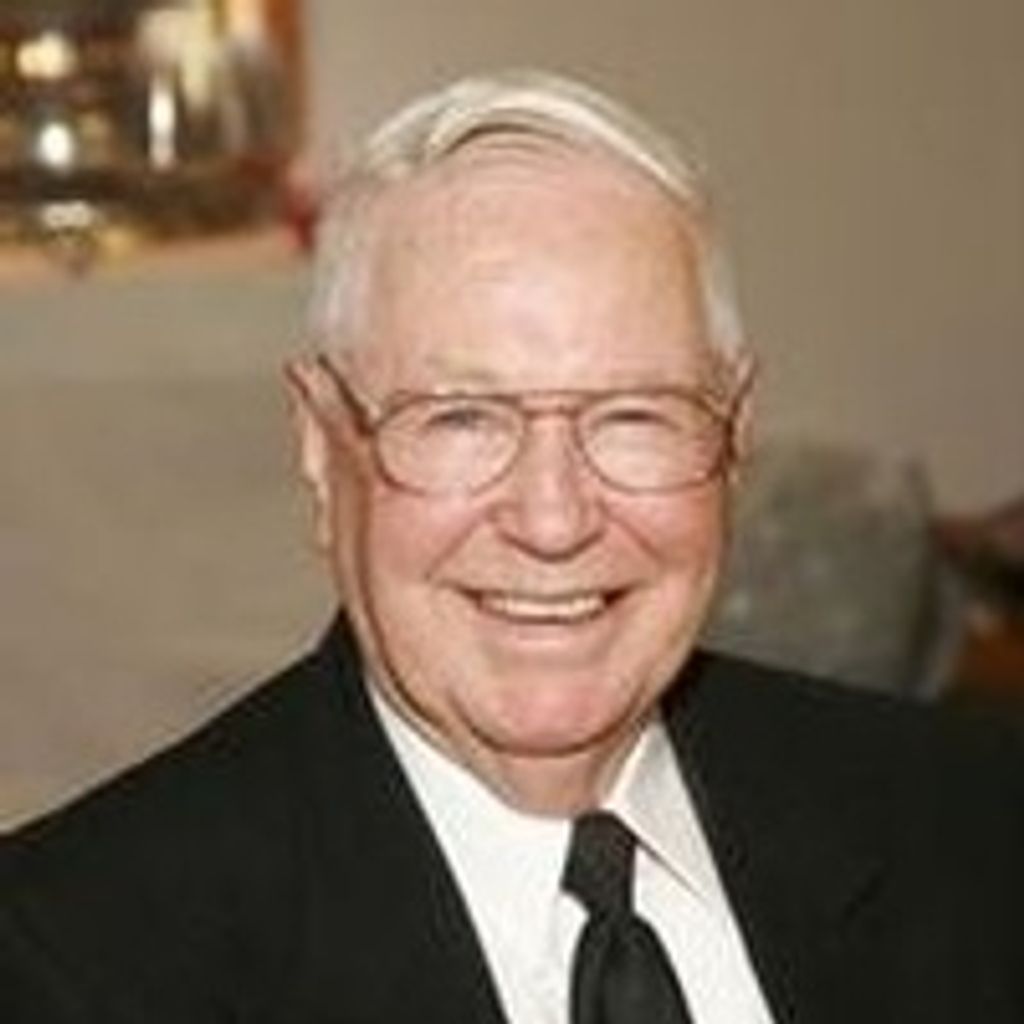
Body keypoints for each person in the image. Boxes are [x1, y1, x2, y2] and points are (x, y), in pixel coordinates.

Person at [2, 70, 1022, 1024]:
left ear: (734, 437)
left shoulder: (974, 827)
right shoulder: (73, 960)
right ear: (320, 446)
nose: (553, 518)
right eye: (461, 418)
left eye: (635, 414)